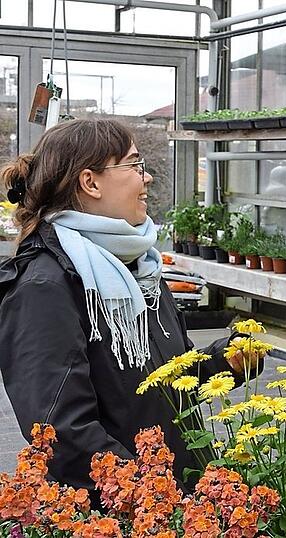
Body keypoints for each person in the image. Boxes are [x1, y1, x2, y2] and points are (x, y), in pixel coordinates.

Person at [0, 118, 254, 496]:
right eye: (135, 166)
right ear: (91, 182)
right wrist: (149, 494)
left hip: (175, 494)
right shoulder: (45, 284)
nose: (146, 178)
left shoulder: (139, 268)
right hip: (120, 511)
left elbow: (165, 381)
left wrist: (226, 361)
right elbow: (62, 431)